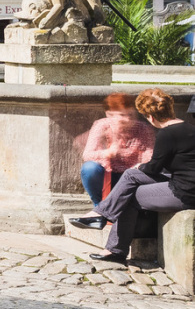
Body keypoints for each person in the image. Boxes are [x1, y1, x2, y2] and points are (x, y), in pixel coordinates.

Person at [70, 89, 194, 263]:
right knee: (130, 178)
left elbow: (153, 167)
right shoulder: (188, 128)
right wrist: (141, 167)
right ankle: (102, 221)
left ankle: (111, 242)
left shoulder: (167, 133)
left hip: (184, 192)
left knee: (128, 194)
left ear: (150, 117)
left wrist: (141, 166)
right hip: (184, 183)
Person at [77, 92, 156, 207]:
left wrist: (142, 163)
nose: (127, 119)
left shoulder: (143, 129)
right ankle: (99, 206)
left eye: (130, 114)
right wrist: (108, 153)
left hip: (131, 176)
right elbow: (88, 155)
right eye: (122, 115)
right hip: (108, 175)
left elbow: (150, 155)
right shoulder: (102, 125)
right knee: (89, 168)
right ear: (109, 114)